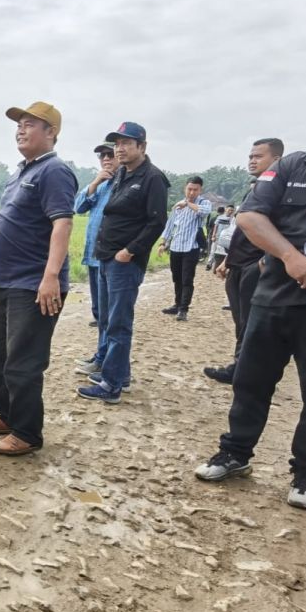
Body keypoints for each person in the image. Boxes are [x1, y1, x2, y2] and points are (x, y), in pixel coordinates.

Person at [194, 81, 306, 511]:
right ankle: (235, 454)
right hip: (272, 297)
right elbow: (252, 216)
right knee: (251, 382)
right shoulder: (294, 166)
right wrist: (290, 256)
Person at [0, 101, 76, 455]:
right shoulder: (20, 171)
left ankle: (28, 433)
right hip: (8, 280)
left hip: (34, 284)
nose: (21, 129)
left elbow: (62, 224)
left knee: (23, 361)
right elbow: (12, 224)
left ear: (51, 133)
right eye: (19, 124)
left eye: (31, 124)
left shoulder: (55, 171)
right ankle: (8, 415)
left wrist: (51, 277)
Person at [77, 122, 169, 404]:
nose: (120, 149)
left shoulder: (153, 178)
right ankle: (120, 375)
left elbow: (157, 221)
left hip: (124, 262)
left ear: (142, 146)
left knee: (118, 323)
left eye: (126, 143)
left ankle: (112, 385)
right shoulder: (120, 175)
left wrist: (130, 250)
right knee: (106, 319)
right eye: (117, 144)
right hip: (105, 257)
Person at [204, 138, 284, 384]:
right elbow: (242, 231)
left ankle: (249, 371)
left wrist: (264, 261)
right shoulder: (257, 189)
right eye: (250, 156)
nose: (252, 160)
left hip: (255, 265)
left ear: (277, 160)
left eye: (258, 156)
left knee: (252, 322)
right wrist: (228, 259)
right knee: (241, 319)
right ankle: (241, 366)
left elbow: (282, 230)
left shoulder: (281, 191)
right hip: (238, 263)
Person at [74, 142, 118, 342]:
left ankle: (106, 354)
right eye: (102, 156)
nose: (106, 159)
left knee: (110, 311)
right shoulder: (100, 183)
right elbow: (79, 207)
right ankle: (101, 352)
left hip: (111, 256)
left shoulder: (123, 183)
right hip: (93, 253)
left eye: (110, 154)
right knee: (99, 309)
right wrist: (94, 183)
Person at [158, 176, 212, 321]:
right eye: (189, 189)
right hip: (176, 247)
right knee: (177, 278)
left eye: (195, 190)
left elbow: (203, 212)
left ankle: (183, 309)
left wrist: (187, 204)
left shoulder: (204, 202)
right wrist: (163, 243)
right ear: (185, 188)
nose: (192, 192)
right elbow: (169, 226)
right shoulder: (178, 206)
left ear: (200, 190)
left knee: (187, 279)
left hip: (191, 247)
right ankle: (177, 304)